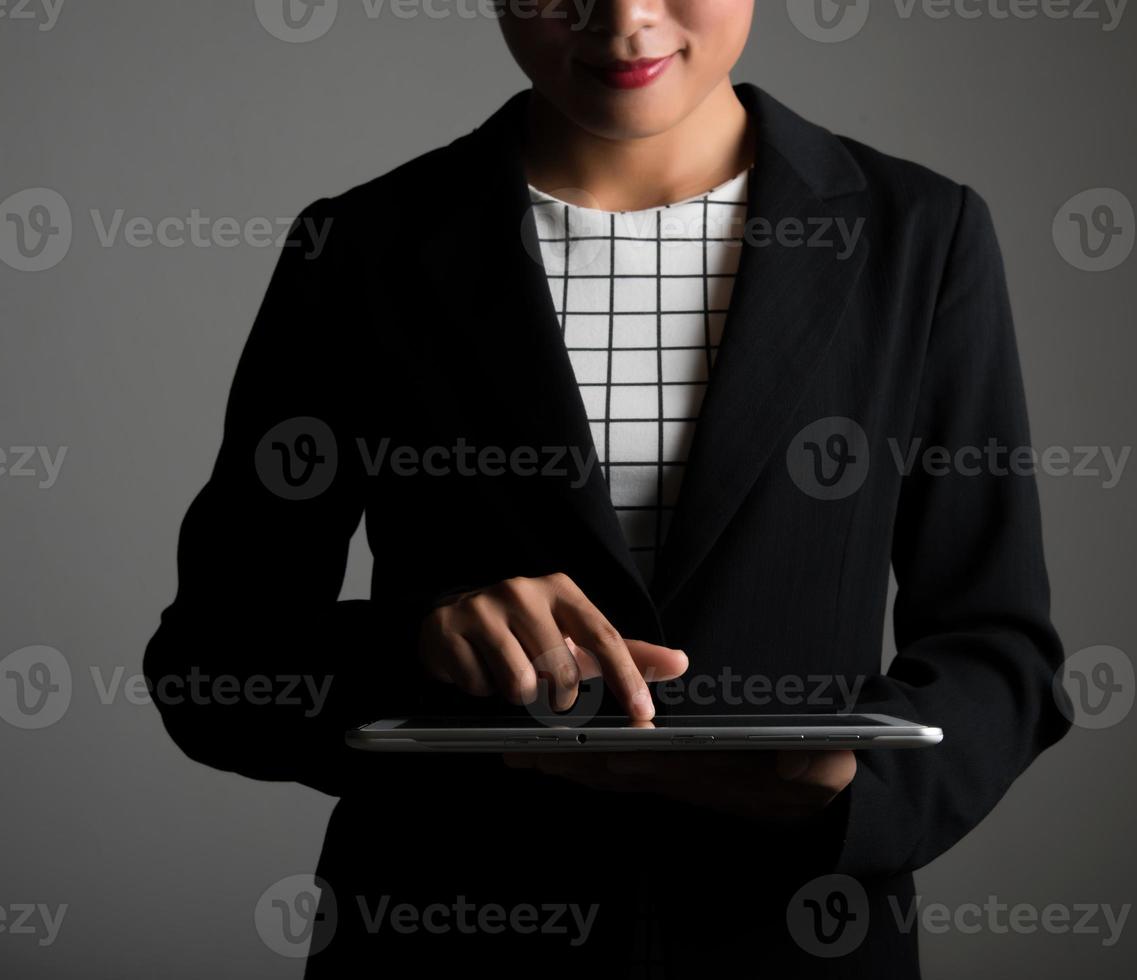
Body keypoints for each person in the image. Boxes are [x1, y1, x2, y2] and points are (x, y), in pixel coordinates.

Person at [144, 2, 1071, 975]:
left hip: (793, 935)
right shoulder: (358, 248)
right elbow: (211, 663)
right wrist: (416, 640)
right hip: (441, 940)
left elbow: (997, 642)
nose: (623, 15)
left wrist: (852, 783)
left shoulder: (919, 236)